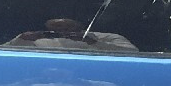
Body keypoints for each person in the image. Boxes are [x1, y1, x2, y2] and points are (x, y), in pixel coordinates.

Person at [8, 17, 139, 53]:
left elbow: (133, 53)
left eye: (68, 26)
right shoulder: (33, 40)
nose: (63, 31)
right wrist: (20, 39)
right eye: (56, 27)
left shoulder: (106, 38)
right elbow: (4, 51)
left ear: (80, 25)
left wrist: (92, 42)